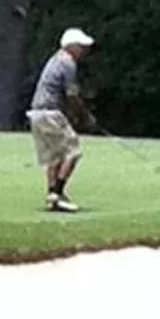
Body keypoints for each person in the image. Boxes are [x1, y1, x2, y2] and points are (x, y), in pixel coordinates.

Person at [28, 27, 96, 214]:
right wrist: (84, 116)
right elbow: (72, 95)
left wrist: (74, 116)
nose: (84, 50)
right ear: (71, 46)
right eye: (81, 46)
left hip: (37, 113)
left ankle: (52, 195)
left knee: (54, 156)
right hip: (50, 113)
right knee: (73, 152)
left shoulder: (55, 59)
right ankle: (57, 194)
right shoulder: (67, 62)